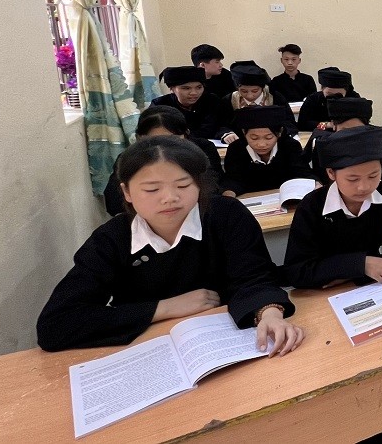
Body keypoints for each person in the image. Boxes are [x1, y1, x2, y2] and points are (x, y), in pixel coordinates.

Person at [37, 136, 303, 354]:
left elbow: (254, 277)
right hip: (150, 350)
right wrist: (162, 308)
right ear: (127, 192)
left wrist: (268, 313)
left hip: (227, 341)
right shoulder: (112, 239)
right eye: (152, 190)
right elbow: (56, 325)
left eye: (183, 185)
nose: (170, 198)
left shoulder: (226, 215)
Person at [281, 126, 382, 444]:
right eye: (352, 179)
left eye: (373, 175)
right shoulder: (312, 207)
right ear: (331, 174)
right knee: (359, 396)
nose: (364, 187)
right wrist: (362, 263)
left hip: (376, 297)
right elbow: (297, 272)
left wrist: (363, 273)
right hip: (327, 309)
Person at [103, 106, 224, 217]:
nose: (166, 146)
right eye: (157, 140)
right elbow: (113, 203)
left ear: (186, 134)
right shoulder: (130, 159)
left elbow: (216, 186)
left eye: (173, 139)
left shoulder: (203, 149)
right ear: (140, 138)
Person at [221, 106, 314, 196]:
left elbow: (302, 174)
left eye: (268, 137)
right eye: (254, 138)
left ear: (280, 133)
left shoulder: (290, 146)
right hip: (250, 200)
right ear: (244, 133)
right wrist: (229, 193)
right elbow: (233, 179)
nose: (261, 144)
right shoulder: (236, 149)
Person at [303, 97, 375, 184]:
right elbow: (318, 176)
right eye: (345, 130)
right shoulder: (324, 145)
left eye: (357, 130)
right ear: (334, 126)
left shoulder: (372, 142)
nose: (351, 135)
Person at [150, 66, 231, 141]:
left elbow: (220, 125)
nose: (194, 93)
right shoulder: (160, 105)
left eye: (199, 87)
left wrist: (225, 133)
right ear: (172, 89)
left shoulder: (211, 101)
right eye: (186, 88)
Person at [225, 62, 297, 140]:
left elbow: (289, 123)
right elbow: (222, 124)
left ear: (262, 88)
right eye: (244, 91)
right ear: (237, 89)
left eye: (255, 91)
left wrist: (282, 133)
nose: (250, 95)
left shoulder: (275, 97)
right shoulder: (230, 100)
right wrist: (227, 134)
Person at [298, 67, 360, 132]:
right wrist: (327, 125)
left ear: (346, 91)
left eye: (339, 94)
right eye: (329, 94)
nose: (334, 97)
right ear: (322, 89)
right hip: (321, 133)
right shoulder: (314, 99)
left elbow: (362, 122)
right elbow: (303, 124)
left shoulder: (354, 98)